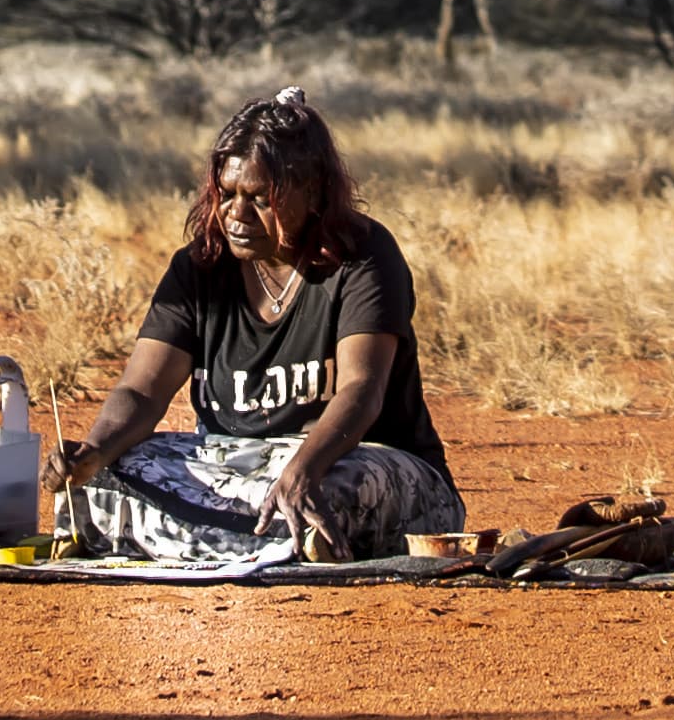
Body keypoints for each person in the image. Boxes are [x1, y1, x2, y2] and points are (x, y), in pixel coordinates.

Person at [47, 84, 461, 564]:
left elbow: (362, 390)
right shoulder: (199, 267)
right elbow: (142, 392)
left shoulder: (363, 257)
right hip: (238, 465)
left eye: (260, 197)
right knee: (110, 475)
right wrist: (93, 452)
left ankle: (212, 538)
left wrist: (303, 470)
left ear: (312, 192)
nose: (236, 214)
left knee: (339, 489)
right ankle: (274, 545)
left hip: (356, 459)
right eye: (227, 194)